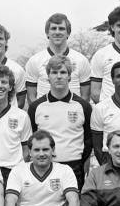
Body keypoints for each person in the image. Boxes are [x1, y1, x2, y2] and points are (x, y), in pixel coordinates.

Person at [28, 55, 92, 189]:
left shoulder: (83, 106)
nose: (59, 76)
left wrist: (83, 163)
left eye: (63, 72)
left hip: (74, 166)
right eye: (54, 72)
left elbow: (88, 139)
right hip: (45, 166)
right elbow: (32, 138)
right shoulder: (36, 107)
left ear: (69, 76)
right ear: (48, 77)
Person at [25, 13, 91, 103]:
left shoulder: (81, 60)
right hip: (45, 115)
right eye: (53, 28)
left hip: (73, 114)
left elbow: (85, 96)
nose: (57, 32)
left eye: (61, 29)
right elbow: (31, 97)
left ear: (68, 33)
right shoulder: (34, 61)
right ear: (47, 33)